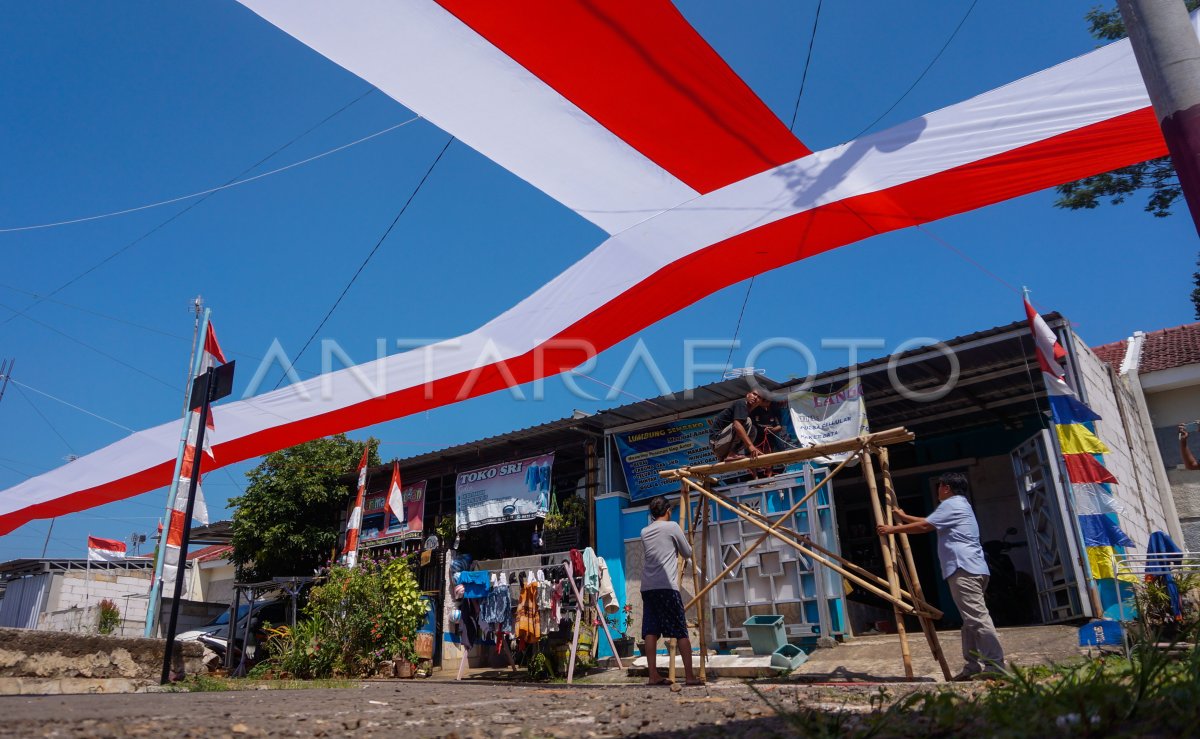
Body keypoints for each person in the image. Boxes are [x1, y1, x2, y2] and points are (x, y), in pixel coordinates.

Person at [876, 472, 1006, 681]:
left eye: (939, 487)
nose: (938, 491)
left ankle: (996, 666)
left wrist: (892, 529)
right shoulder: (960, 505)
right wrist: (904, 517)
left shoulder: (951, 504)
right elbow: (929, 521)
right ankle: (972, 666)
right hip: (973, 568)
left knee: (977, 619)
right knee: (970, 621)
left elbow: (925, 526)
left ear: (946, 487)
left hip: (963, 568)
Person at [640, 495, 702, 686]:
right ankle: (690, 677)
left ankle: (653, 676)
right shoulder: (673, 527)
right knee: (681, 631)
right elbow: (687, 553)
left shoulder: (644, 531)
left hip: (648, 587)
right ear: (668, 511)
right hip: (667, 586)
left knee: (650, 630)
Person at [709, 389, 771, 461]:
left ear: (760, 402)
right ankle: (731, 453)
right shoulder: (741, 403)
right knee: (746, 421)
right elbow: (737, 425)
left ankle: (729, 454)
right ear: (748, 395)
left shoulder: (747, 411)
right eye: (754, 394)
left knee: (753, 430)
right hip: (716, 443)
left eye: (759, 397)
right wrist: (751, 446)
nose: (755, 397)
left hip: (722, 446)